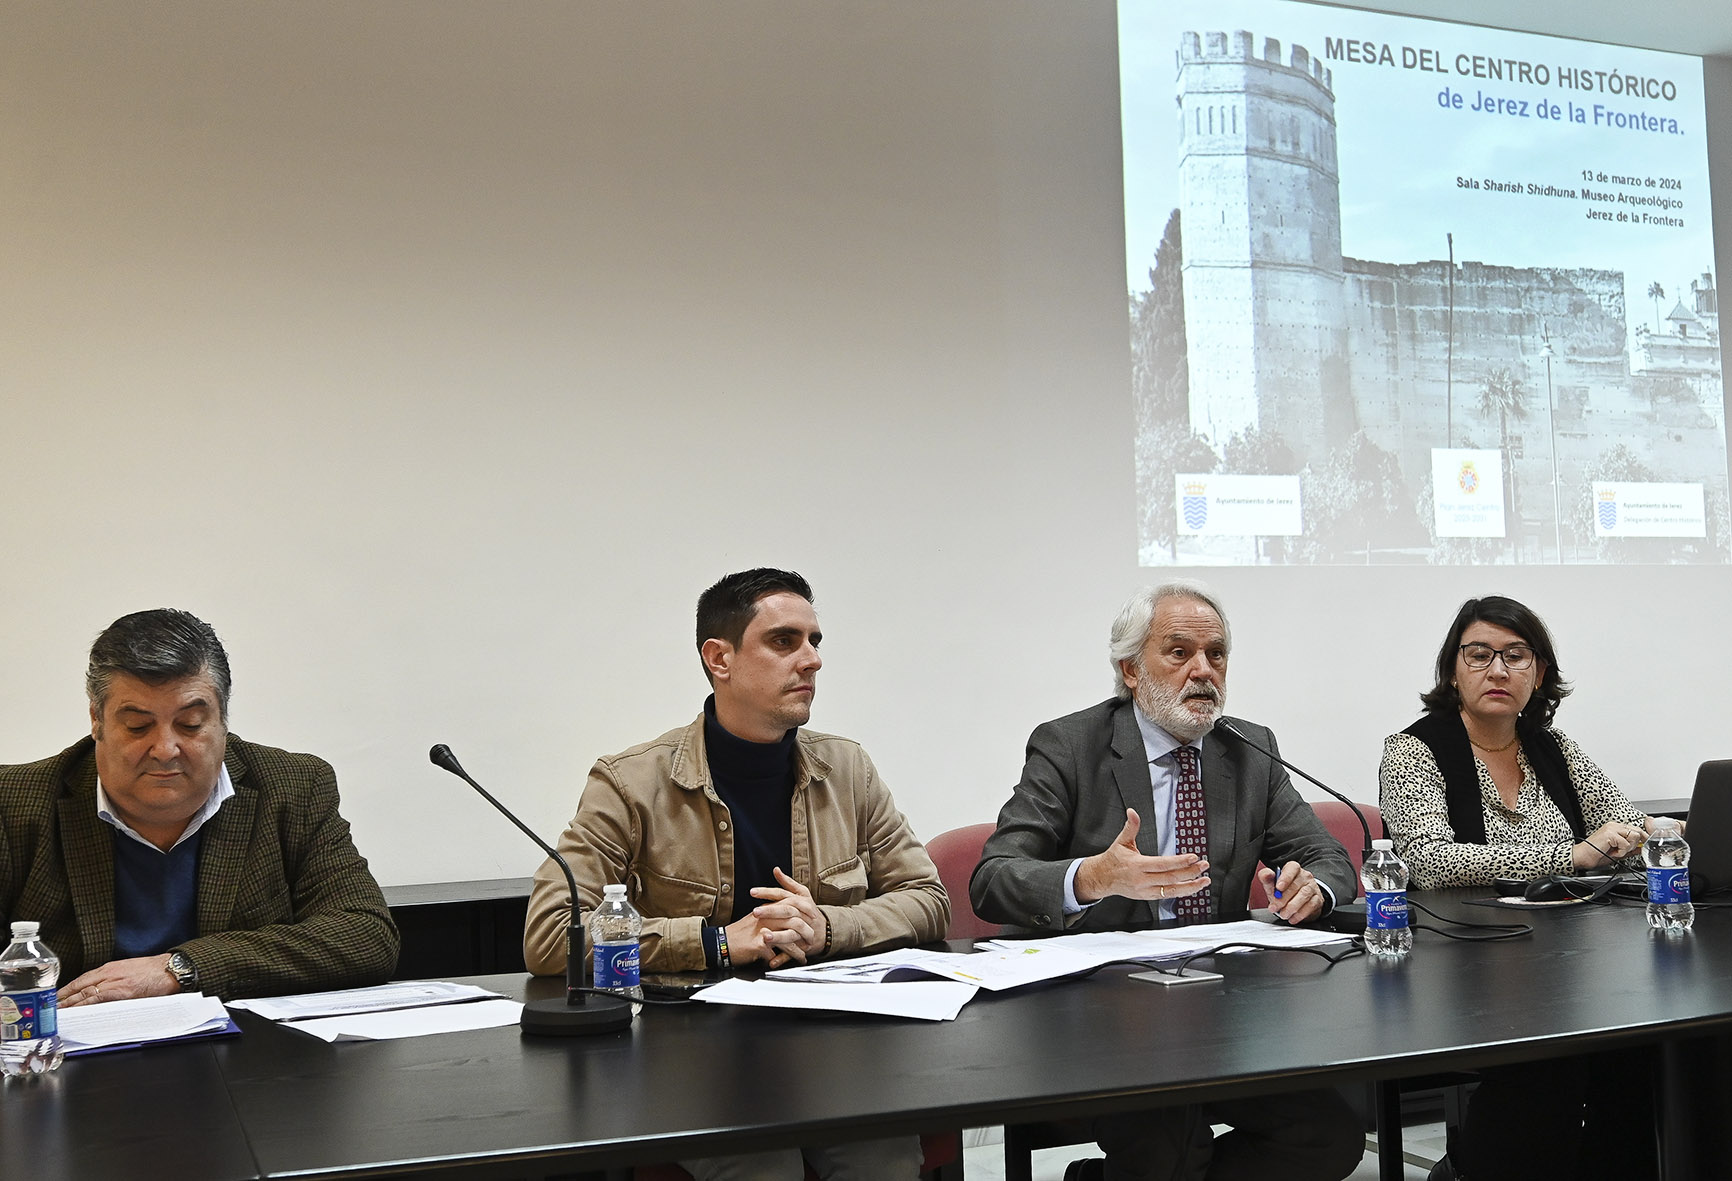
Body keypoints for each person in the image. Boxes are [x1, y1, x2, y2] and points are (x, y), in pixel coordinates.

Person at [524, 568, 948, 1181]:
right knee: (763, 1169)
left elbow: (927, 899)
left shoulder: (847, 768)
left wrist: (827, 926)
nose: (811, 661)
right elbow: (549, 937)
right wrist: (717, 941)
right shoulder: (632, 781)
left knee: (879, 1160)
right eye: (784, 642)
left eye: (816, 641)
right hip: (689, 1056)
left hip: (830, 1044)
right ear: (719, 658)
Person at [970, 582, 1362, 1181]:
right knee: (1168, 1146)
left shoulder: (1250, 748)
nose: (1204, 671)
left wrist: (1316, 887)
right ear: (1130, 669)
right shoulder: (1071, 745)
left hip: (1219, 1006)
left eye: (1217, 654)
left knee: (1329, 1137)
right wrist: (1093, 877)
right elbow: (994, 879)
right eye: (1179, 653)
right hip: (1102, 1009)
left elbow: (1325, 853)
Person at [1379, 594, 1660, 1181]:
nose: (1499, 671)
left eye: (1516, 655)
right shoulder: (1415, 748)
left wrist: (1659, 830)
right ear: (1452, 671)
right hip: (1464, 963)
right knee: (1550, 1065)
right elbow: (1428, 860)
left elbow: (1622, 825)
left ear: (1540, 672)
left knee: (1643, 1049)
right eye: (1479, 655)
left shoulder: (1553, 746)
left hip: (1566, 959)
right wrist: (1568, 854)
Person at [0, 608, 398, 1005]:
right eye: (138, 726)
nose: (165, 749)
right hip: (69, 1059)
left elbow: (365, 935)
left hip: (249, 1056)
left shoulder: (291, 787)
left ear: (223, 719)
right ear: (96, 720)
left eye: (190, 724)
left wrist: (181, 968)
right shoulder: (15, 804)